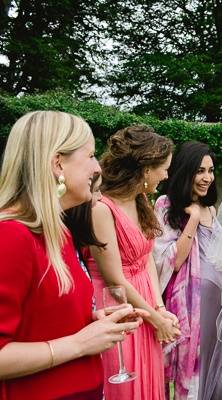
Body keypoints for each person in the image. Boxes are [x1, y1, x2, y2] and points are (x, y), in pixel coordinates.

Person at [0, 111, 143, 399]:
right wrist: (79, 343)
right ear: (57, 164)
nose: (97, 169)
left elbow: (42, 318)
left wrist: (91, 322)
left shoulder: (58, 232)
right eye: (90, 156)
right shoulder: (11, 237)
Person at [88, 124, 180, 400]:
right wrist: (154, 319)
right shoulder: (102, 209)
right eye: (163, 168)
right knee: (124, 385)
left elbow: (146, 257)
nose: (166, 175)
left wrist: (159, 307)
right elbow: (115, 278)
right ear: (145, 169)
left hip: (144, 302)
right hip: (118, 305)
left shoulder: (141, 200)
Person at [153, 141, 222, 400]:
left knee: (215, 362)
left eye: (210, 170)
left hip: (217, 303)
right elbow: (170, 261)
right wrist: (193, 219)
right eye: (200, 171)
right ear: (186, 172)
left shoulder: (212, 209)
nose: (207, 177)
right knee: (191, 368)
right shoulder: (166, 205)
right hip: (188, 305)